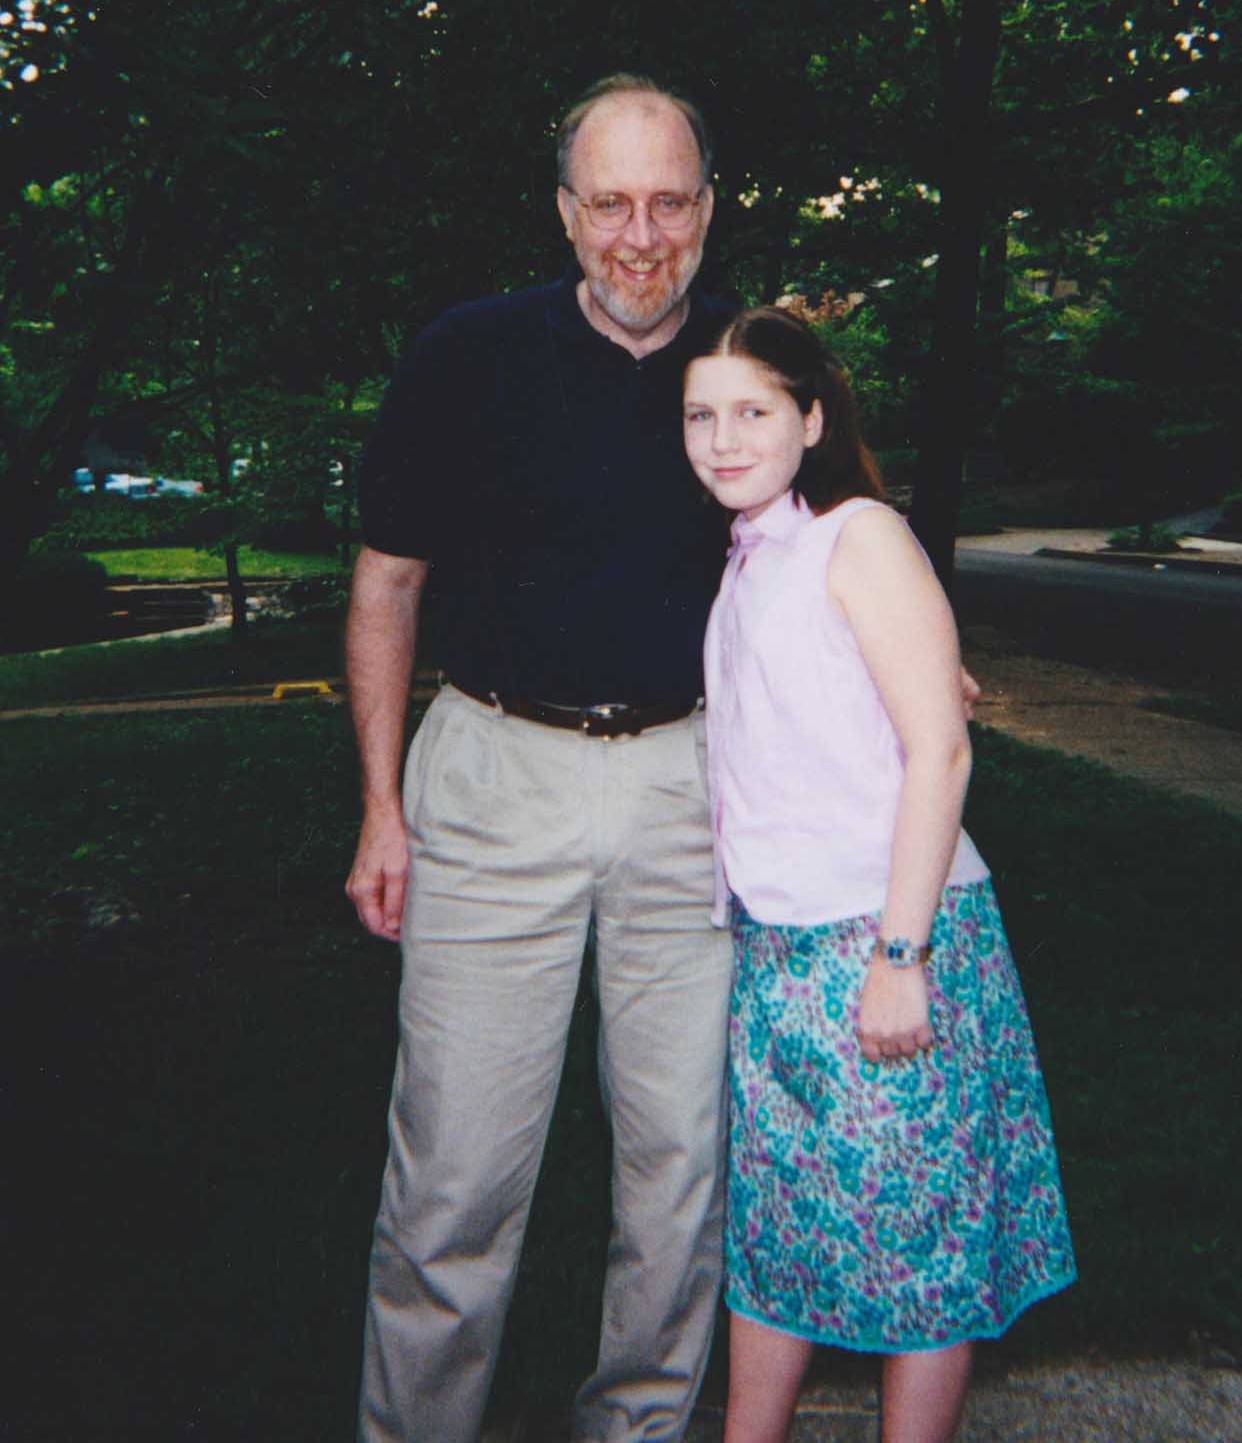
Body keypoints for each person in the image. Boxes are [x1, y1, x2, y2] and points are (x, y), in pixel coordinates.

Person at [344, 75, 737, 1443]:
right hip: (493, 777)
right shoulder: (466, 354)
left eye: (668, 201)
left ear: (706, 207)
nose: (642, 234)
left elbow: (833, 553)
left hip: (694, 790)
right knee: (454, 1171)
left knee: (681, 1167)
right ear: (567, 213)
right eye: (611, 202)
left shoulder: (755, 371)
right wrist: (382, 807)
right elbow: (387, 582)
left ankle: (638, 1422)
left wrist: (922, 665)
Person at [683, 308, 1076, 1443]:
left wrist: (902, 958)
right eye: (700, 415)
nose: (721, 437)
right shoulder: (752, 553)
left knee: (920, 1252)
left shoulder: (859, 536)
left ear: (811, 418)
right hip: (776, 954)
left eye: (752, 411)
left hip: (887, 940)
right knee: (777, 1232)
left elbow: (940, 750)